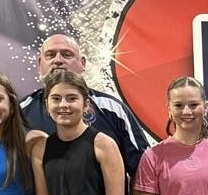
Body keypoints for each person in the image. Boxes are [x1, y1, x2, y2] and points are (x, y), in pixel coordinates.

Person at [18, 33, 150, 176]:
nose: (58, 60)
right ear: (40, 63)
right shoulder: (20, 112)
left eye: (66, 54)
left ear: (83, 63)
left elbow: (143, 169)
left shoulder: (112, 109)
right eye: (50, 55)